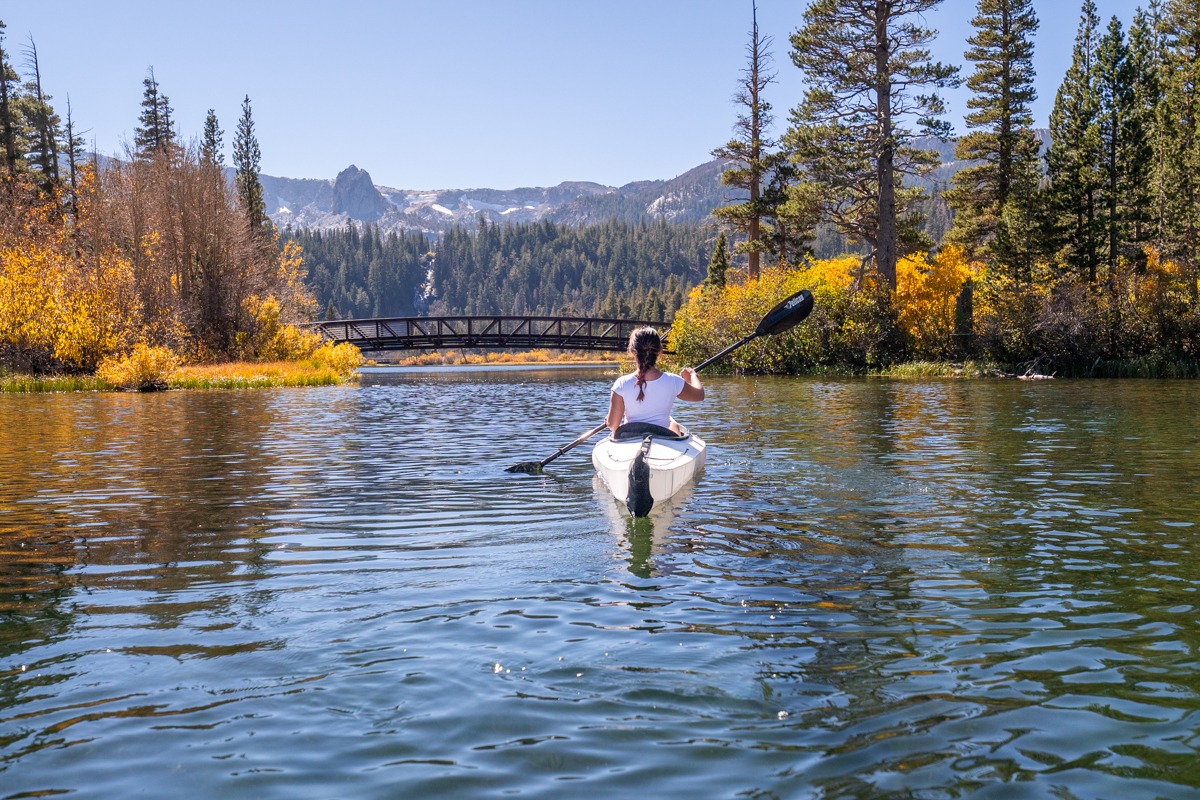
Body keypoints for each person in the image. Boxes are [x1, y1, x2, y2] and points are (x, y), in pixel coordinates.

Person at [605, 327, 703, 435]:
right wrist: (693, 375)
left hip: (630, 437)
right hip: (663, 437)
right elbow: (699, 395)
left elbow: (613, 425)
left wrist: (608, 421)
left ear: (632, 351)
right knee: (674, 426)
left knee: (674, 425)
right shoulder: (673, 381)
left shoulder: (621, 383)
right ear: (659, 351)